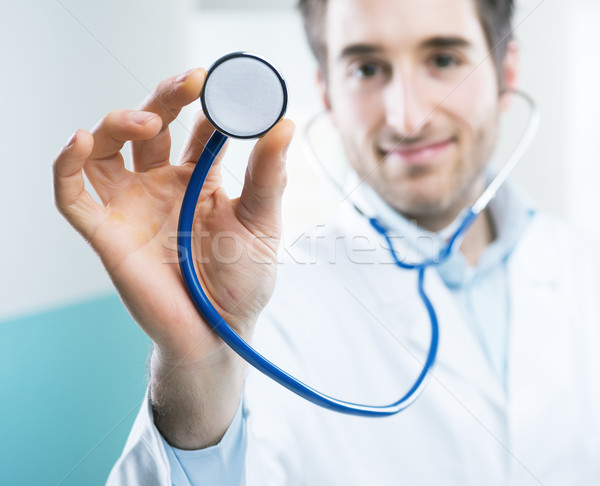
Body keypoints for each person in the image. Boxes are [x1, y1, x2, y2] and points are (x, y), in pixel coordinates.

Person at [53, 0, 600, 484]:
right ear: (327, 94)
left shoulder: (585, 269)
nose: (407, 117)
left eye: (443, 60)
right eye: (366, 68)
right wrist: (197, 367)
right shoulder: (260, 313)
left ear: (507, 72)